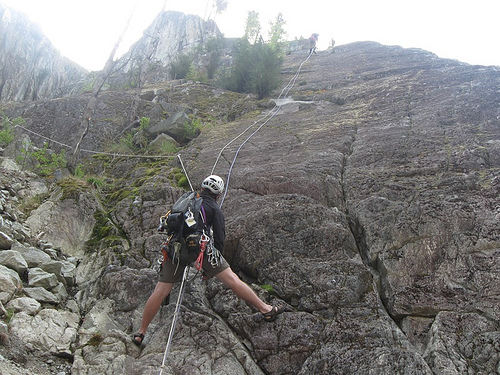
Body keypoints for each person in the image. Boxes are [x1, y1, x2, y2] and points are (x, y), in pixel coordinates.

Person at [132, 175, 284, 346]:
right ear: (218, 193)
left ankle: (141, 332)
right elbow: (219, 239)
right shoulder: (214, 208)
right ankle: (266, 309)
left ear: (202, 188)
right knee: (233, 280)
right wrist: (212, 267)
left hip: (175, 248)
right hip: (202, 250)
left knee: (160, 291)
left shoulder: (187, 201)